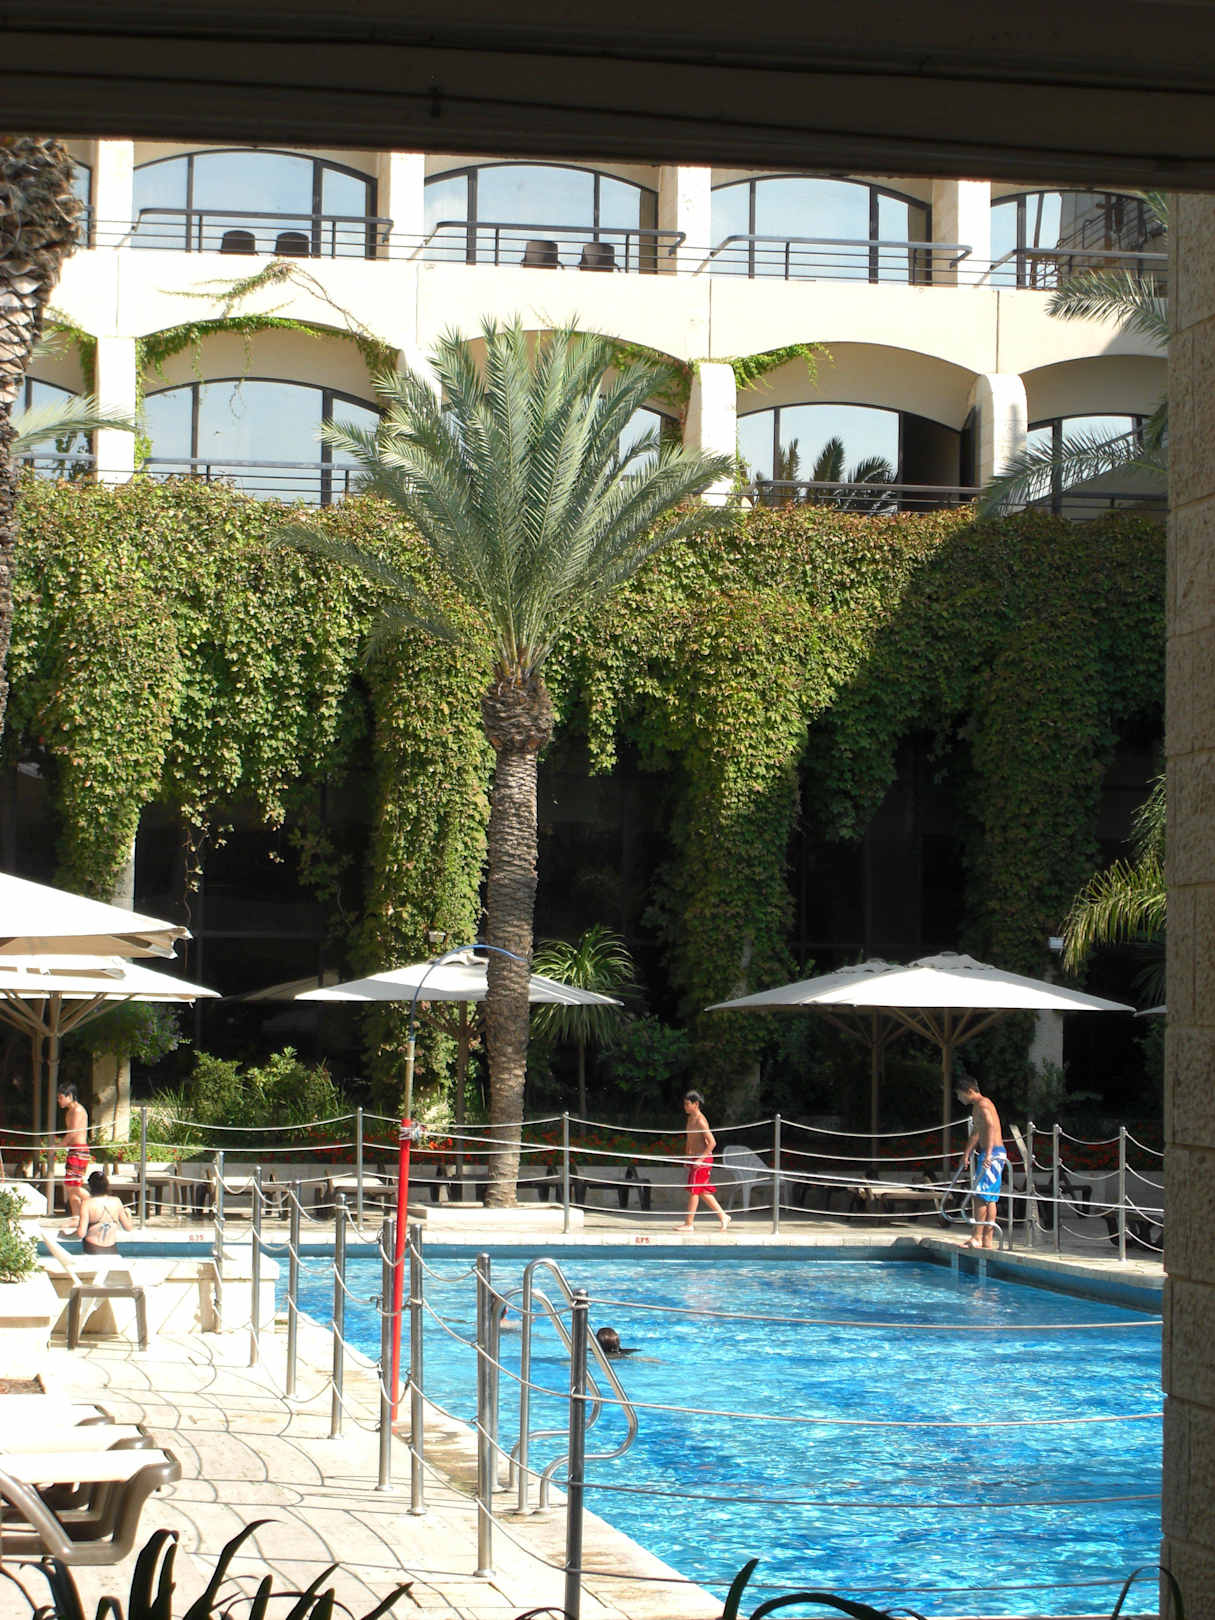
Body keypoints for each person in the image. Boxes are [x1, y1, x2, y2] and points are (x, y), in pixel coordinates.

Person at [956, 1076, 1006, 1249]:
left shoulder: (983, 1104)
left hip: (993, 1153)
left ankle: (977, 1237)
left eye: (960, 1094)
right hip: (990, 1153)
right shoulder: (977, 1106)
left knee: (980, 1195)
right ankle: (986, 1240)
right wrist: (966, 1153)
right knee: (989, 1197)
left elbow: (991, 1126)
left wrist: (989, 1154)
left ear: (969, 1091)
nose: (959, 1098)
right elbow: (977, 1132)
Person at [675, 1089, 731, 1233]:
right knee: (702, 1191)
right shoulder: (690, 1119)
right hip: (695, 1158)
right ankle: (723, 1216)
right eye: (684, 1104)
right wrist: (687, 1157)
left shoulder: (701, 1120)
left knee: (695, 1190)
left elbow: (712, 1142)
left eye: (687, 1104)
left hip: (703, 1159)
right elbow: (690, 1139)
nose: (685, 1107)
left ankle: (689, 1223)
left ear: (696, 1104)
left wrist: (700, 1159)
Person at [64, 1169, 133, 1254]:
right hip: (111, 1250)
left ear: (91, 1185)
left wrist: (65, 1236)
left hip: (92, 1248)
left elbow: (81, 1233)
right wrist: (129, 1214)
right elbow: (128, 1228)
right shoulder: (116, 1201)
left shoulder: (87, 1204)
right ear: (107, 1185)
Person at [56, 1083, 90, 1224]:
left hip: (79, 1150)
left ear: (69, 1096)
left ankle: (99, 1203)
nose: (59, 1101)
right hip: (73, 1150)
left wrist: (58, 1146)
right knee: (70, 1186)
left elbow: (73, 1132)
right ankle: (76, 1217)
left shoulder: (77, 1110)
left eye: (60, 1097)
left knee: (73, 1186)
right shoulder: (69, 1111)